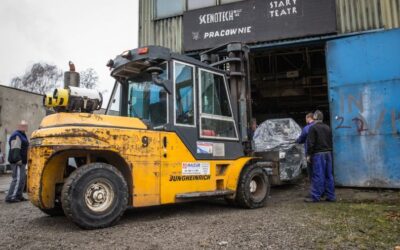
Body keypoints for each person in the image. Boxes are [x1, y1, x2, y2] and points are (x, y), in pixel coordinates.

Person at [305, 110, 336, 202]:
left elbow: (311, 143)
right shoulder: (328, 128)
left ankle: (315, 197)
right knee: (329, 175)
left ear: (314, 118)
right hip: (328, 154)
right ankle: (331, 196)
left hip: (318, 155)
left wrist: (309, 155)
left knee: (318, 175)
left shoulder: (313, 128)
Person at [5, 120, 29, 203]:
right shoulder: (16, 135)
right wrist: (17, 159)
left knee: (22, 179)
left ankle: (19, 195)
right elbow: (15, 147)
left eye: (25, 125)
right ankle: (11, 197)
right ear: (19, 126)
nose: (25, 127)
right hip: (17, 161)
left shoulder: (22, 135)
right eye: (23, 126)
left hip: (22, 161)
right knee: (17, 179)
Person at [296, 113, 315, 181]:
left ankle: (314, 185)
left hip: (310, 152)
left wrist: (296, 141)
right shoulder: (319, 125)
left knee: (311, 171)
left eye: (306, 118)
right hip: (320, 151)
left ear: (309, 118)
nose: (305, 120)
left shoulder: (307, 128)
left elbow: (301, 139)